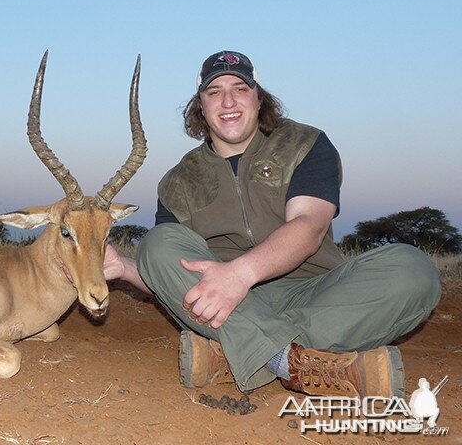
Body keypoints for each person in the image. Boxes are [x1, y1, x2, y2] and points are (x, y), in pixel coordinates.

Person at [104, 50, 441, 399]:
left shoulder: (304, 144)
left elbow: (309, 226)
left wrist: (241, 273)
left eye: (240, 88)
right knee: (157, 243)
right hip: (228, 303)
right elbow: (170, 269)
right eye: (214, 91)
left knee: (413, 270)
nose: (228, 101)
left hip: (317, 294)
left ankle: (237, 353)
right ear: (200, 106)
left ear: (259, 98)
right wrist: (123, 266)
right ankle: (289, 360)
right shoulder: (179, 180)